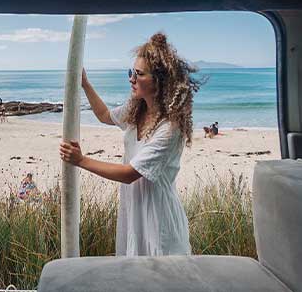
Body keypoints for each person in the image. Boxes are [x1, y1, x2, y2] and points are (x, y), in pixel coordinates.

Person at [59, 32, 201, 256]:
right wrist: (85, 84)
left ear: (158, 81)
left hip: (158, 216)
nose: (131, 79)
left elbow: (130, 173)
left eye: (139, 74)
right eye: (131, 72)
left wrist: (81, 160)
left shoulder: (170, 128)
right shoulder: (137, 108)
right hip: (134, 211)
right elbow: (105, 115)